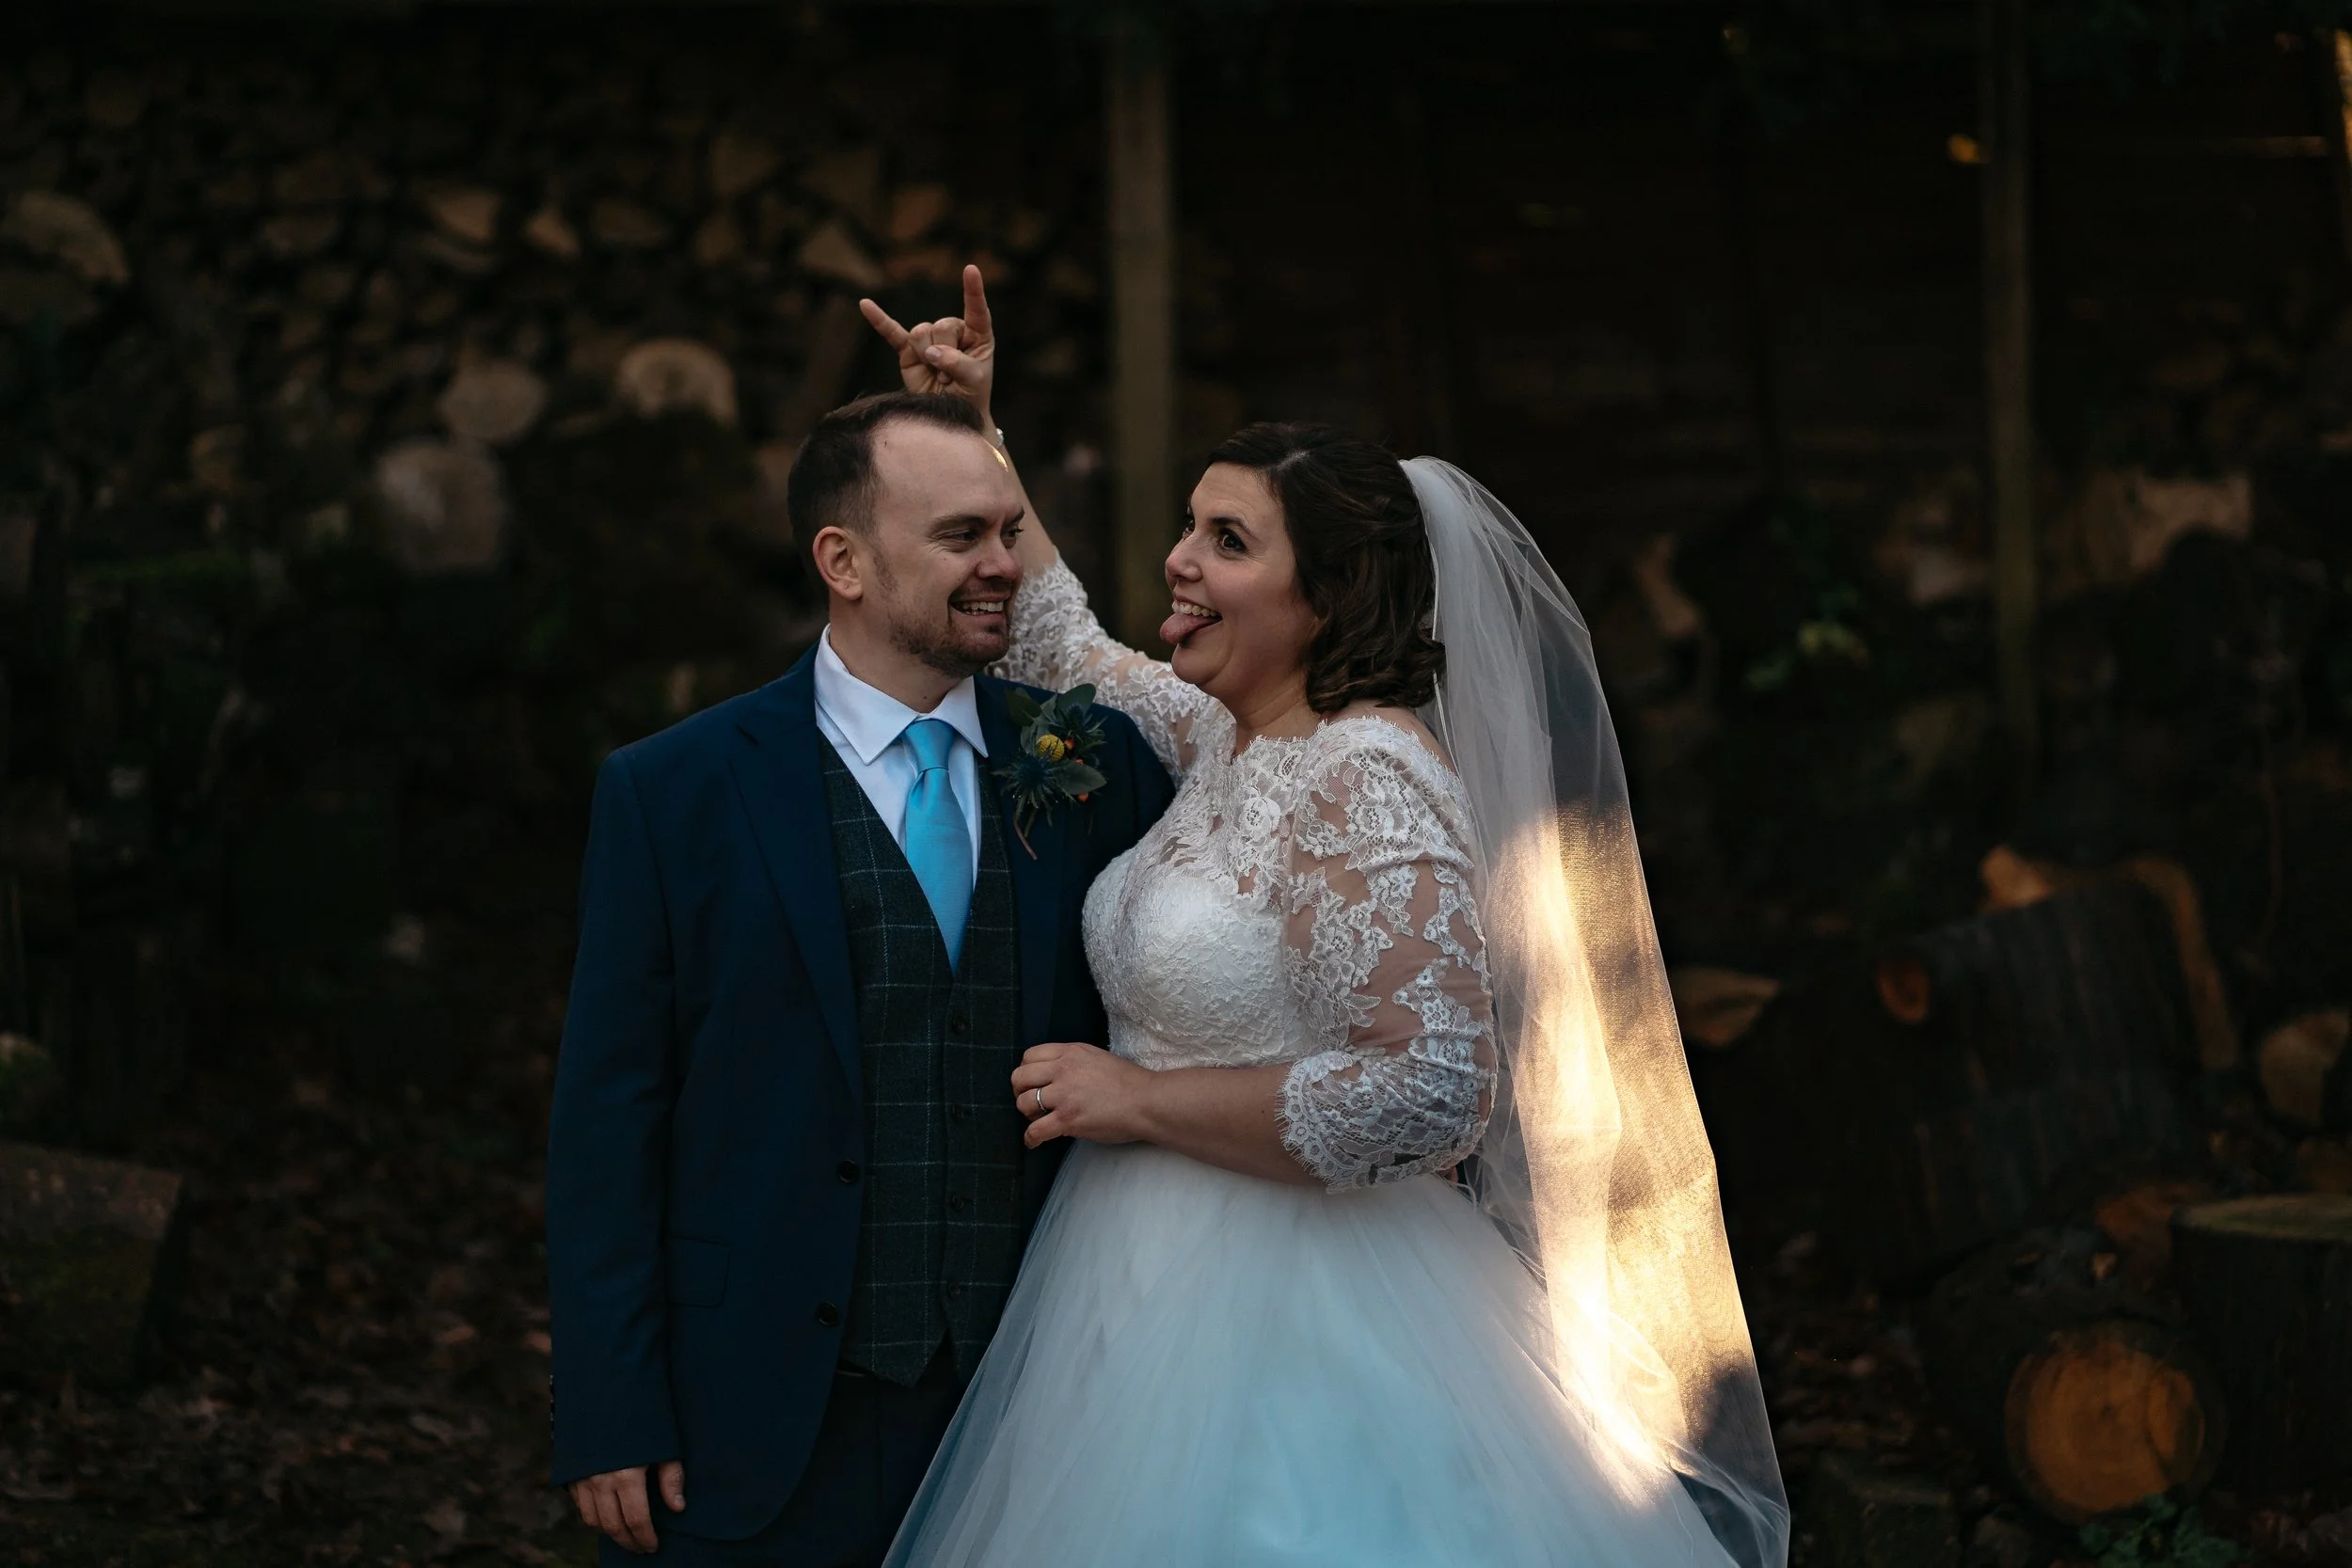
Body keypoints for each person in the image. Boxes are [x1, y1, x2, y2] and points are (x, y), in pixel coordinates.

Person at [855, 271, 1791, 1567]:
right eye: (1193, 526)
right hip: (1133, 1290)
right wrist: (980, 430)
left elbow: (1434, 1089)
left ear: (1329, 596)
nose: (1181, 560)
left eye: (1231, 542)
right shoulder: (1234, 738)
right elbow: (1067, 644)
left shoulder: (1367, 777)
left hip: (1305, 1317)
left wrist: (1136, 1100)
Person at [544, 382, 1175, 1565]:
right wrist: (609, 1402)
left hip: (1041, 1401)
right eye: (960, 537)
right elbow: (608, 1118)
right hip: (762, 1405)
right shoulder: (674, 791)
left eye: (1006, 531)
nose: (1003, 564)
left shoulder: (1099, 763)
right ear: (842, 558)